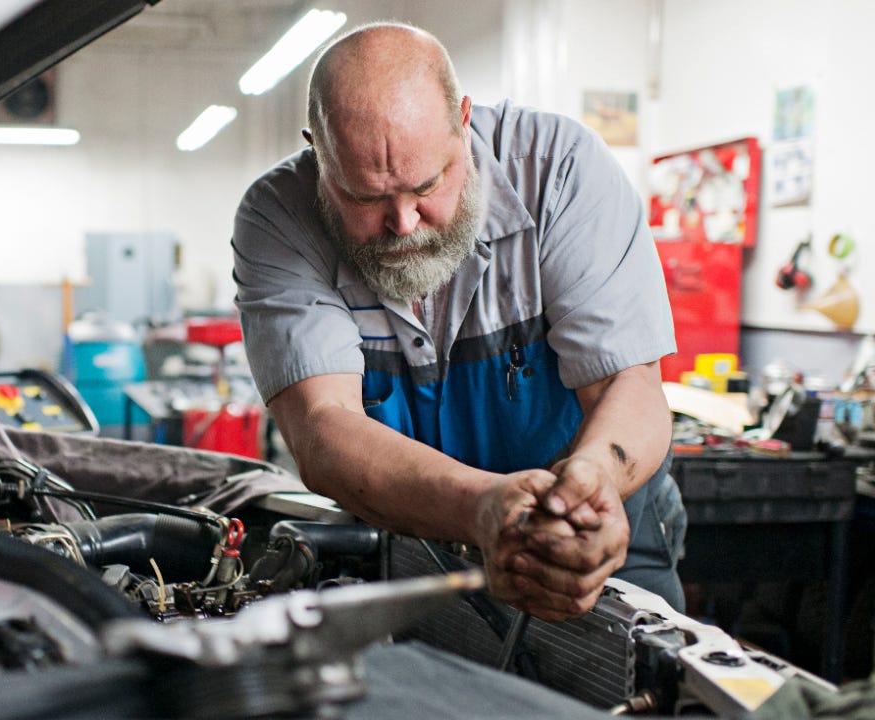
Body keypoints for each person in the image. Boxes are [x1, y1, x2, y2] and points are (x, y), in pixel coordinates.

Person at [231, 21, 686, 621]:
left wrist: (591, 483)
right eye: (365, 198)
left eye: (427, 184)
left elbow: (630, 384)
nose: (403, 222)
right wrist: (481, 507)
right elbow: (322, 426)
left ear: (463, 121)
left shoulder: (563, 172)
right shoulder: (276, 217)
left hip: (593, 529)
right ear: (318, 152)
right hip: (407, 531)